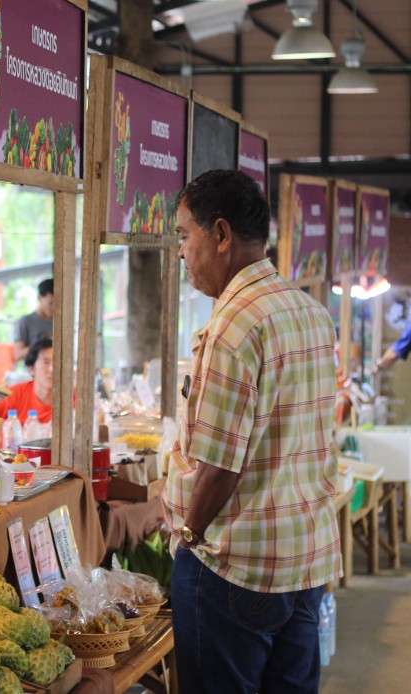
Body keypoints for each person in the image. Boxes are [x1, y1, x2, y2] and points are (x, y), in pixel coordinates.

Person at [163, 170, 340, 693]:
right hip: (304, 560)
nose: (181, 252)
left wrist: (189, 536)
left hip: (236, 566)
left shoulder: (234, 325)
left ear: (221, 234)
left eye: (184, 235)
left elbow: (220, 467)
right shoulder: (310, 312)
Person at [0, 338, 53, 426]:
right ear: (31, 368)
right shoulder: (14, 395)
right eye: (46, 362)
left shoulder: (69, 400)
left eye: (57, 363)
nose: (52, 369)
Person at [13, 278, 53, 362]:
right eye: (50, 303)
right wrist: (41, 344)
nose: (53, 308)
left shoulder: (60, 323)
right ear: (39, 298)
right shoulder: (25, 321)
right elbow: (18, 355)